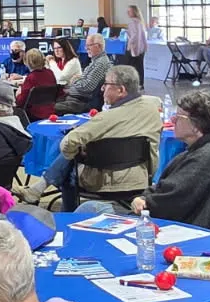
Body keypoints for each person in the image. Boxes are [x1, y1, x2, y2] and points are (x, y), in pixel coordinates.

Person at [76, 92, 210, 231]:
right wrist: (145, 198)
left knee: (90, 208)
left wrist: (144, 200)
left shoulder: (203, 159)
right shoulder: (208, 151)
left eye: (178, 117)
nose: (172, 120)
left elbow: (170, 200)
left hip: (183, 229)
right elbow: (170, 190)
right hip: (183, 221)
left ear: (195, 126)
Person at [15, 66, 160, 204]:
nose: (102, 88)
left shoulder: (106, 118)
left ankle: (66, 213)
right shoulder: (152, 109)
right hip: (141, 177)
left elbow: (66, 144)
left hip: (108, 181)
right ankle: (38, 189)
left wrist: (80, 151)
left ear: (121, 90)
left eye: (106, 84)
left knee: (70, 162)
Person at [53, 35, 114, 115]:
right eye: (86, 46)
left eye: (89, 45)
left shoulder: (100, 64)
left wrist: (74, 80)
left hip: (81, 102)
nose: (86, 48)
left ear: (99, 46)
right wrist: (78, 80)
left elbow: (87, 87)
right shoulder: (96, 62)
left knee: (48, 108)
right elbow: (83, 82)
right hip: (76, 98)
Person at [15, 49, 57, 121]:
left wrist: (18, 94)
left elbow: (21, 102)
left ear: (27, 62)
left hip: (34, 114)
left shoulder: (31, 77)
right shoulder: (50, 73)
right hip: (51, 111)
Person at [123, 5, 147, 80]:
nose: (127, 12)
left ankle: (135, 84)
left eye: (129, 11)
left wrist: (129, 46)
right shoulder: (140, 22)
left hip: (135, 48)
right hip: (141, 49)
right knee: (139, 67)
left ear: (134, 12)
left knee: (132, 67)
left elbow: (134, 36)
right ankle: (140, 84)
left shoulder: (134, 23)